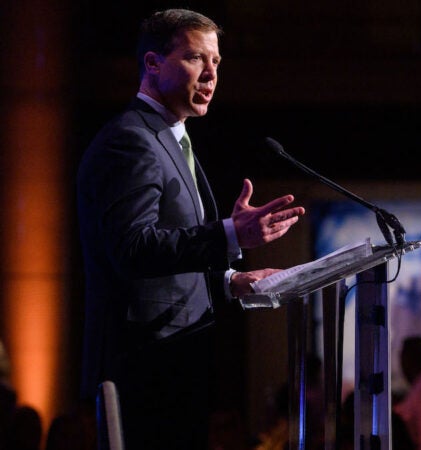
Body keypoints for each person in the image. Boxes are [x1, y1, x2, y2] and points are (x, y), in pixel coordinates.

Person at [76, 8, 305, 450]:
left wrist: (228, 280)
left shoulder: (172, 138)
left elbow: (166, 263)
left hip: (175, 360)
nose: (211, 74)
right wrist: (230, 235)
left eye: (216, 63)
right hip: (142, 366)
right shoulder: (131, 140)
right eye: (197, 59)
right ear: (153, 64)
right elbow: (133, 247)